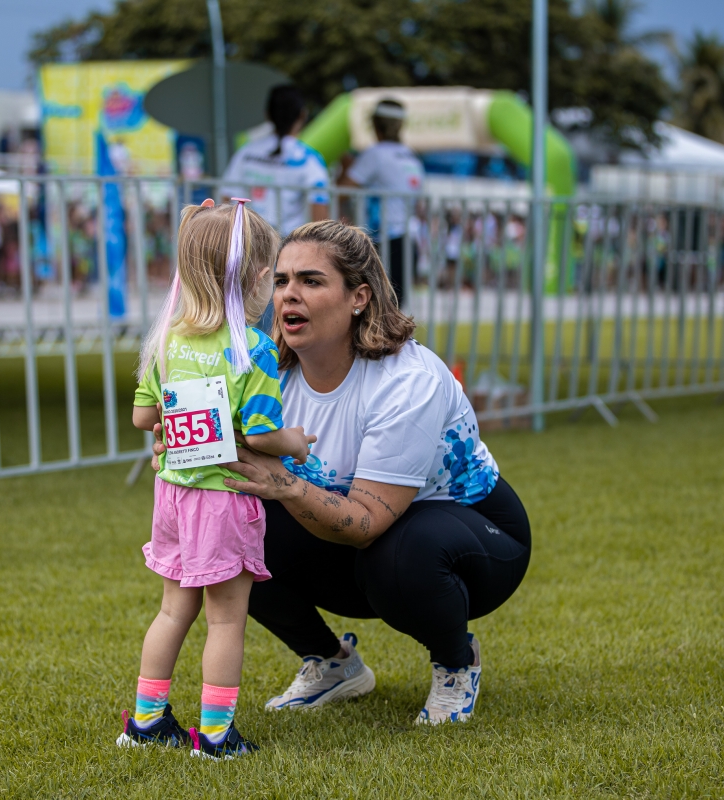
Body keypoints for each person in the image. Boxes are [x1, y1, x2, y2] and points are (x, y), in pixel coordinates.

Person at [152, 220, 531, 725]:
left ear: (359, 297)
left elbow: (368, 523)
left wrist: (284, 484)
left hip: (471, 535)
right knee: (231, 525)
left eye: (311, 281)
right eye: (281, 280)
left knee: (404, 551)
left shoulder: (406, 381)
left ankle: (456, 662)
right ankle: (332, 664)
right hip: (354, 539)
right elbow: (231, 460)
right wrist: (187, 450)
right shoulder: (264, 370)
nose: (289, 295)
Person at [121, 199, 315, 759]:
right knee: (227, 620)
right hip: (224, 499)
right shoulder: (253, 349)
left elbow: (142, 416)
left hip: (173, 495)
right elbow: (260, 435)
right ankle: (214, 735)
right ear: (259, 278)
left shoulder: (167, 339)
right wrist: (296, 441)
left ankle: (147, 720)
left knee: (171, 610)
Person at [338, 99, 425, 305]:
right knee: (391, 312)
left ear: (375, 125)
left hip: (381, 243)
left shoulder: (375, 154)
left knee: (370, 310)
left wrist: (346, 166)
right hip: (406, 242)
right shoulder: (412, 157)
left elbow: (340, 191)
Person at [220, 85, 330, 237]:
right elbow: (320, 215)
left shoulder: (246, 152)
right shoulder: (309, 159)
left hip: (247, 239)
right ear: (302, 115)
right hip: (287, 243)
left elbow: (225, 197)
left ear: (267, 115)